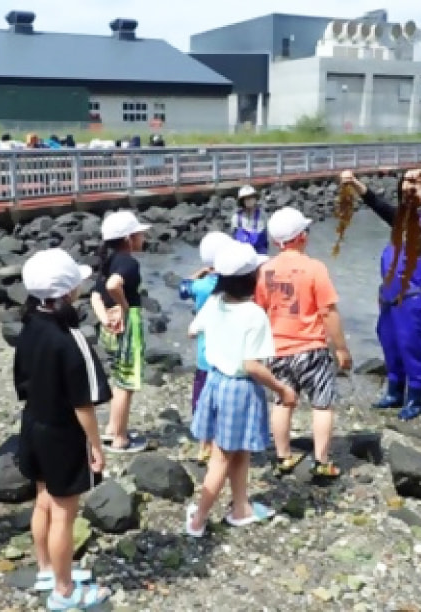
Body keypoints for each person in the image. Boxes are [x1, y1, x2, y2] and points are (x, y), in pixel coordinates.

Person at [13, 248, 112, 610]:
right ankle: (64, 589)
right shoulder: (69, 339)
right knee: (63, 513)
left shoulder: (29, 326)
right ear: (68, 292)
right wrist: (96, 444)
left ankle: (46, 569)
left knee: (43, 500)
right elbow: (82, 403)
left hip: (33, 423)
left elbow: (21, 382)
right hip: (62, 433)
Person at [185, 242, 296, 537]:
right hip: (240, 388)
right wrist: (282, 389)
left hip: (216, 381)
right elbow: (252, 365)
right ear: (253, 278)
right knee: (223, 456)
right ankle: (199, 518)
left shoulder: (214, 302)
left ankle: (241, 508)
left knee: (239, 451)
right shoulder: (253, 314)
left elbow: (192, 330)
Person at [342, 169, 421, 421]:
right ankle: (394, 392)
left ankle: (415, 399)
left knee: (413, 348)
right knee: (390, 344)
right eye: (406, 184)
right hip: (390, 299)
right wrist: (355, 183)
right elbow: (375, 202)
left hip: (415, 300)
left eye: (416, 185)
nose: (411, 189)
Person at [255, 207, 353, 478]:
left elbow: (260, 310)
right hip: (311, 348)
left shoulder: (265, 271)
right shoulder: (314, 268)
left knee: (282, 402)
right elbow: (328, 312)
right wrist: (341, 348)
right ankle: (321, 461)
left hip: (278, 349)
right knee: (322, 404)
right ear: (300, 237)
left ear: (276, 242)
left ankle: (283, 456)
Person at [90, 210, 151, 453]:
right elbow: (113, 285)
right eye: (139, 235)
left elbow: (95, 295)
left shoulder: (108, 260)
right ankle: (120, 438)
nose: (143, 239)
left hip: (110, 326)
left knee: (118, 378)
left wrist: (105, 317)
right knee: (127, 383)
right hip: (128, 324)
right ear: (128, 239)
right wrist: (125, 307)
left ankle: (112, 428)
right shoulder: (128, 262)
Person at [178, 231, 233, 464]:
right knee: (223, 403)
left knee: (202, 401)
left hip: (204, 355)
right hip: (227, 356)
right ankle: (223, 445)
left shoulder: (200, 286)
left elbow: (183, 288)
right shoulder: (232, 286)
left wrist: (199, 272)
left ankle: (204, 447)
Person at [231, 185, 269, 254]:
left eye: (251, 197)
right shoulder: (236, 217)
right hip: (241, 254)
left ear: (255, 199)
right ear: (242, 201)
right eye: (246, 198)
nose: (249, 200)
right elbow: (234, 237)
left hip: (259, 253)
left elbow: (262, 236)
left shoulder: (262, 215)